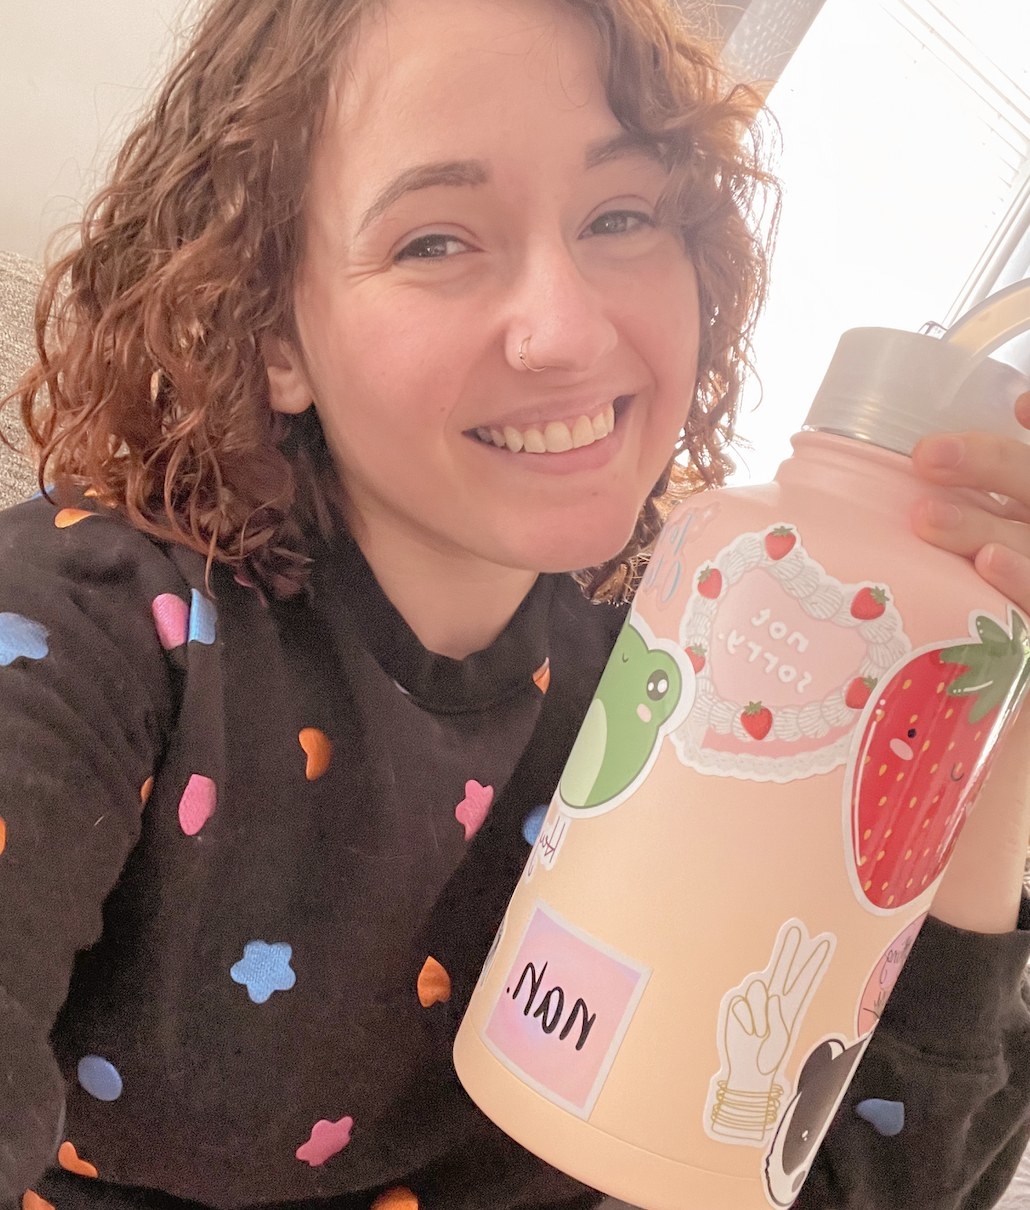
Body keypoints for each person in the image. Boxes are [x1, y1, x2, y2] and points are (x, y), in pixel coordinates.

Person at [2, 0, 1030, 1207]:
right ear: (272, 326)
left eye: (621, 216)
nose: (566, 328)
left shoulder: (688, 674)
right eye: (435, 240)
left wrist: (999, 721)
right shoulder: (87, 632)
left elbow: (851, 1178)